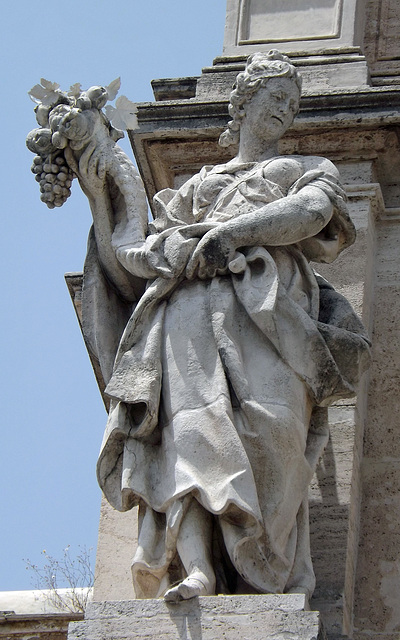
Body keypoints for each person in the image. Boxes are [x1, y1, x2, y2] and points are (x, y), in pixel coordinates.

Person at [83, 51, 370, 602]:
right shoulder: (195, 188)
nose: (284, 109)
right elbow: (133, 256)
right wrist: (102, 197)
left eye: (292, 102)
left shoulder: (305, 170)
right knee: (190, 431)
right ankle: (198, 569)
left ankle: (264, 570)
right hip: (188, 313)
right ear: (242, 103)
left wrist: (228, 235)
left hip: (273, 320)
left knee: (274, 435)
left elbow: (312, 214)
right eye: (273, 97)